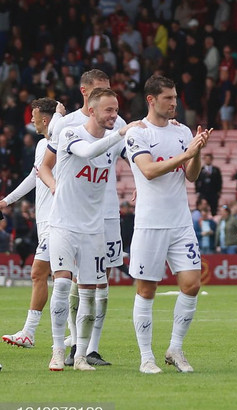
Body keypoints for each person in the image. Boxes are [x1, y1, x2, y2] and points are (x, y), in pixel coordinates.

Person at [124, 74, 211, 374]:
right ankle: (146, 357)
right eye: (168, 98)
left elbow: (191, 175)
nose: (174, 103)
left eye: (175, 98)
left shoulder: (183, 131)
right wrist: (186, 154)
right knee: (146, 290)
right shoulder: (138, 133)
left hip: (180, 223)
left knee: (192, 284)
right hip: (150, 223)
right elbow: (148, 170)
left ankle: (175, 348)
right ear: (151, 100)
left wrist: (195, 153)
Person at [47, 87, 135, 372]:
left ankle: (82, 355)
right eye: (109, 110)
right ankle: (57, 351)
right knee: (62, 284)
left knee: (90, 293)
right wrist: (119, 135)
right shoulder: (71, 134)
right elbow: (87, 151)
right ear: (93, 110)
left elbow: (137, 157)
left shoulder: (113, 141)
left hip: (95, 229)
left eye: (116, 110)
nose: (114, 115)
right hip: (63, 223)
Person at [1, 98, 60, 350]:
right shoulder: (41, 145)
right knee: (58, 277)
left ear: (45, 119)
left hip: (59, 220)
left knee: (44, 274)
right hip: (44, 220)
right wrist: (7, 200)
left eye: (34, 116)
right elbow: (33, 178)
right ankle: (75, 337)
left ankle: (32, 333)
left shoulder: (63, 141)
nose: (30, 121)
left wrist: (59, 111)